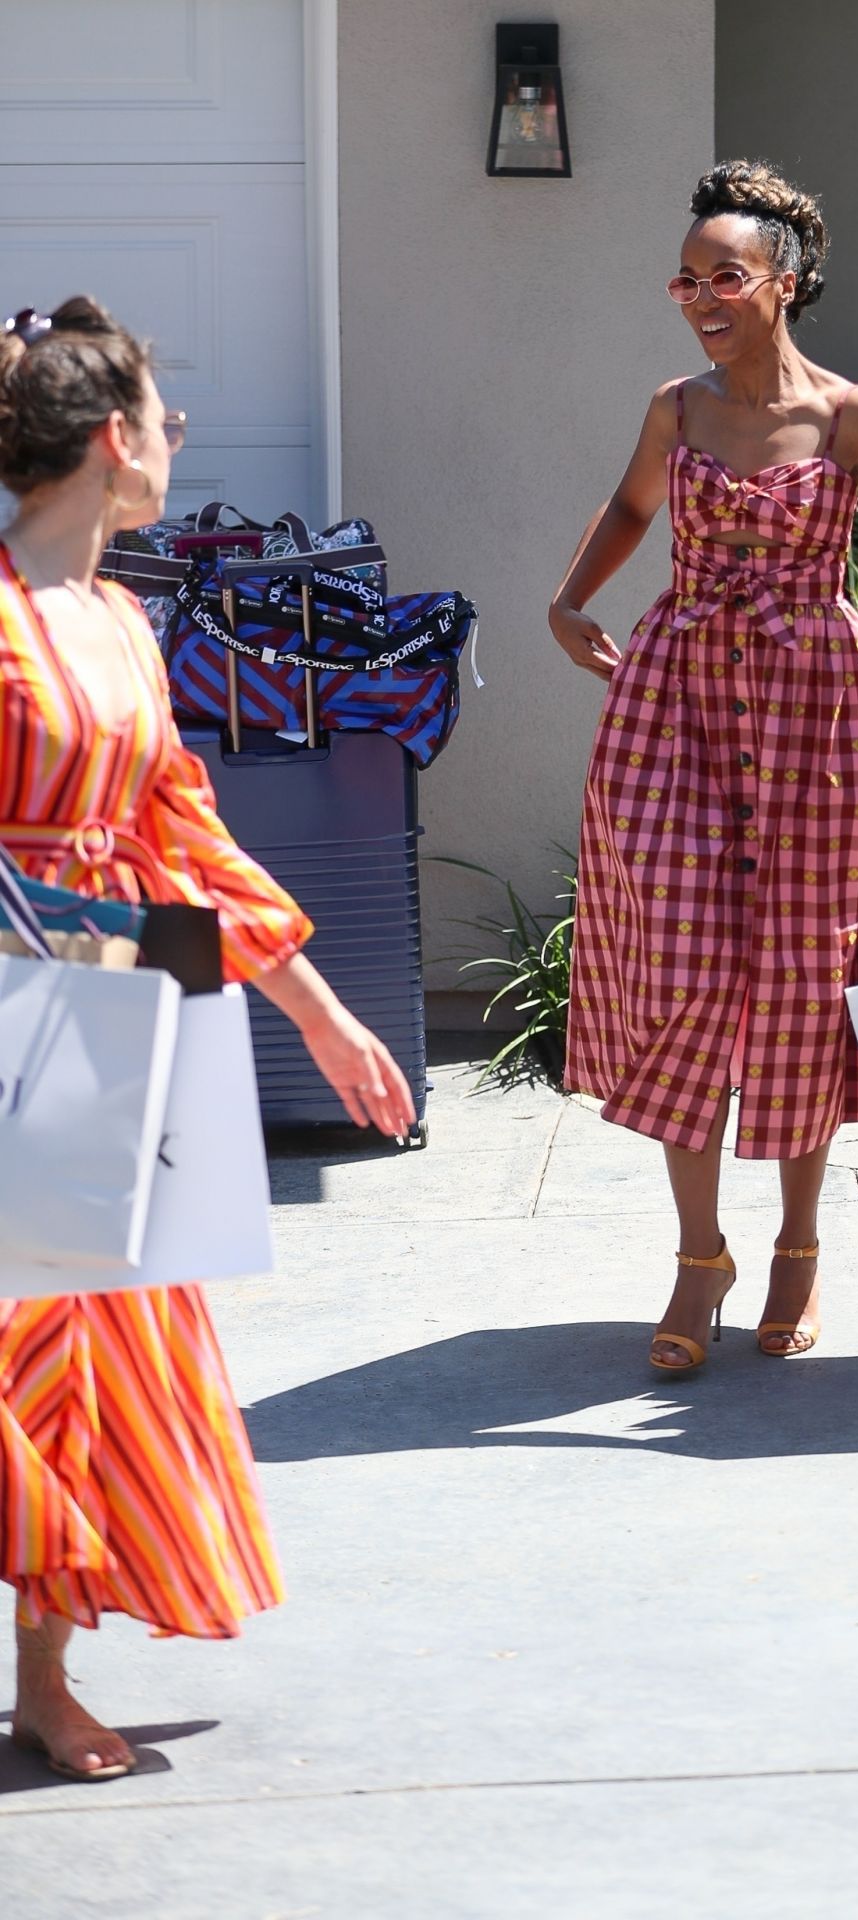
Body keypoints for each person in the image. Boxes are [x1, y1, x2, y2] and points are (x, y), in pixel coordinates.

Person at [0, 296, 417, 1780]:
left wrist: (323, 1009)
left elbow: (185, 834)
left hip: (107, 1007)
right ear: (114, 442)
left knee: (86, 1347)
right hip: (12, 1006)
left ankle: (43, 1682)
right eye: (163, 419)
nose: (178, 440)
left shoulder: (122, 621)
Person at [548, 160, 858, 1371]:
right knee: (672, 963)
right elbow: (629, 510)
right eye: (683, 277)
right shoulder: (674, 408)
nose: (694, 296)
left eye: (720, 275)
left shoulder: (848, 418)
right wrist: (572, 600)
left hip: (818, 723)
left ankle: (794, 1248)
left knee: (798, 982)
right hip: (672, 705)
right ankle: (695, 1256)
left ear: (782, 283)